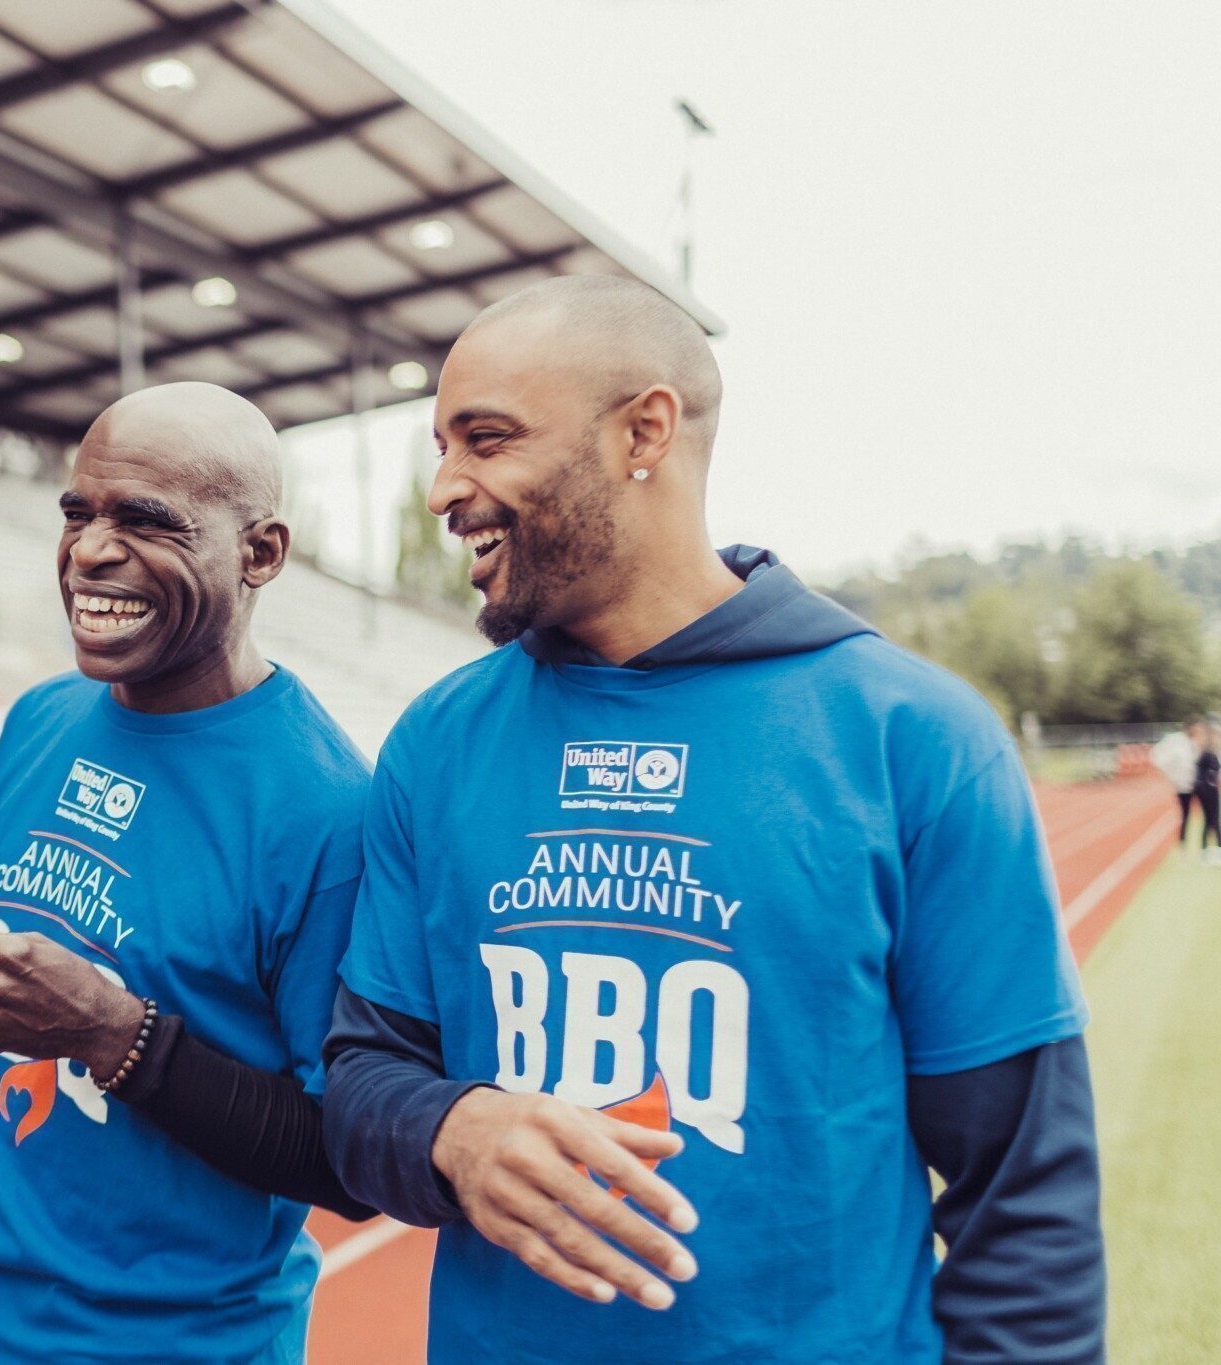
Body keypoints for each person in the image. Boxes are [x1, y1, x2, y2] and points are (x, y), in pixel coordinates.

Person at [321, 277, 1104, 1363]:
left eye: (485, 440)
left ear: (644, 430)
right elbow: (360, 1085)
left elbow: (1019, 1192)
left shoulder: (910, 737)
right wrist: (453, 1127)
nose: (443, 487)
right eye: (440, 446)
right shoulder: (435, 741)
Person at [0, 383, 373, 1363]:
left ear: (260, 553)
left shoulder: (327, 811)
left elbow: (352, 1163)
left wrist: (114, 1034)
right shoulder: (36, 721)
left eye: (145, 521)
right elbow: (3, 1007)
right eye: (78, 513)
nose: (90, 551)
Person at [1152, 717, 1202, 849]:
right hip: (1183, 785)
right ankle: (1183, 844)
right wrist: (1172, 775)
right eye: (1196, 727)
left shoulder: (1200, 742)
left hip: (1200, 784)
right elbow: (1158, 756)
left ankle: (1208, 846)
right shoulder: (1175, 741)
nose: (1198, 730)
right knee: (1185, 814)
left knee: (1210, 813)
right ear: (1190, 727)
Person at [1195, 720, 1220, 865]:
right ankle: (1210, 852)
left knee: (1212, 821)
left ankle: (1210, 851)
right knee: (1212, 820)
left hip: (1208, 790)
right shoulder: (1208, 753)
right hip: (1208, 791)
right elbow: (1209, 775)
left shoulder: (1207, 752)